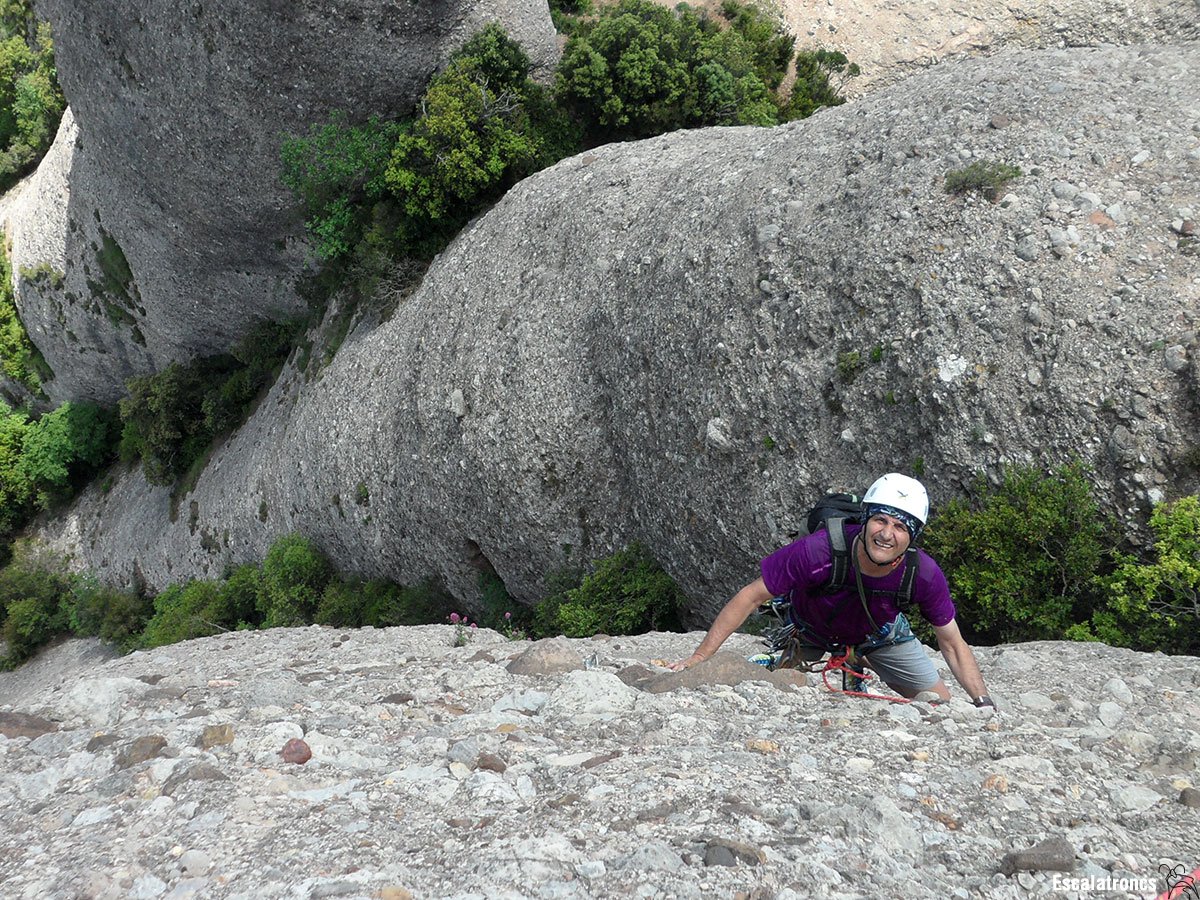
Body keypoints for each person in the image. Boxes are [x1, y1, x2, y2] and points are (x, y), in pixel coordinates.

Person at [669, 473, 995, 707]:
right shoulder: (818, 550)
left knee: (937, 704)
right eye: (880, 520)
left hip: (880, 635)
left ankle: (857, 659)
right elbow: (751, 596)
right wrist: (699, 657)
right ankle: (794, 657)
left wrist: (982, 702)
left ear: (912, 537)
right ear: (865, 520)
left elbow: (952, 643)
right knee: (771, 684)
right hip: (809, 630)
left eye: (900, 526)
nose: (887, 534)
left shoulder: (922, 573)